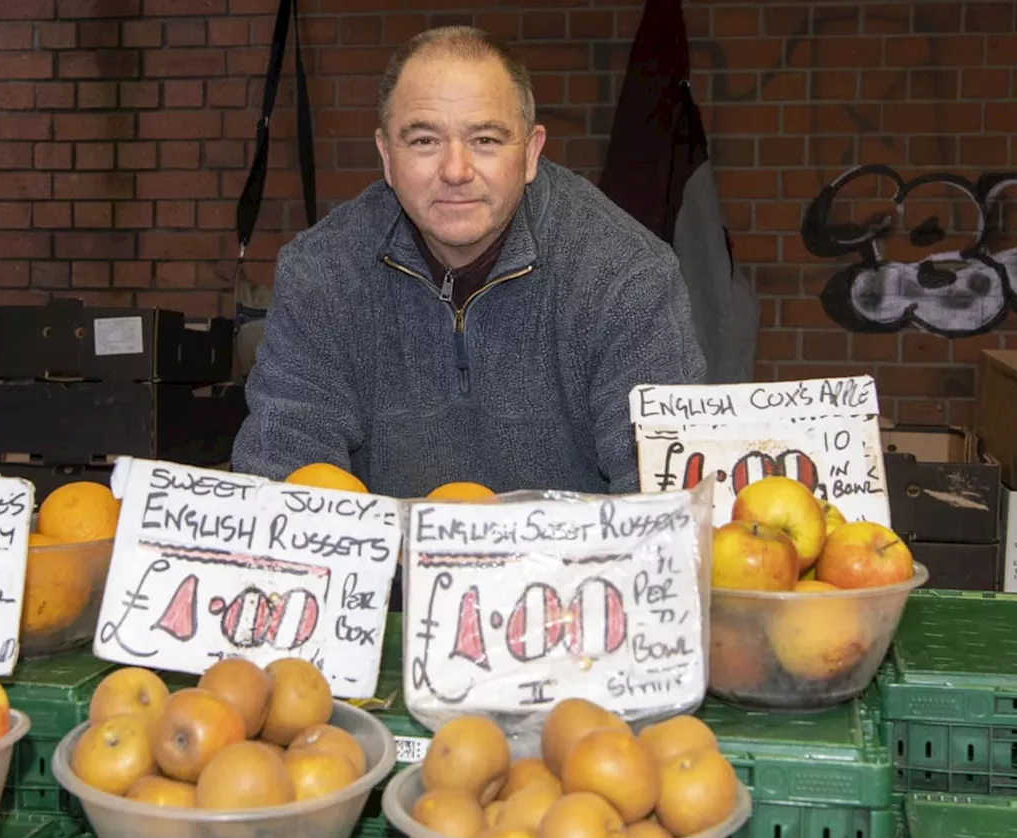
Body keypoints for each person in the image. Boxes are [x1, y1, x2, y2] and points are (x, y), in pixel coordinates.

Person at [230, 26, 706, 498]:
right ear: (386, 157)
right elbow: (283, 469)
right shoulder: (323, 273)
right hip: (389, 570)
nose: (456, 171)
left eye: (485, 140)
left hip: (574, 569)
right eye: (423, 141)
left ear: (531, 152)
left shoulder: (626, 275)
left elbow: (661, 497)